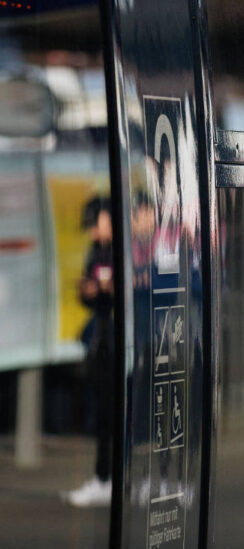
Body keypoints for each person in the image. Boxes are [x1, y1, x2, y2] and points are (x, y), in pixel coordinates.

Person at [66, 195, 116, 508]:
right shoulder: (95, 251)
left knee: (112, 414)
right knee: (101, 412)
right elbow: (92, 291)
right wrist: (88, 291)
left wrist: (101, 290)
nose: (92, 233)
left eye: (94, 224)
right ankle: (103, 477)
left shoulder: (121, 249)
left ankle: (109, 478)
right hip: (101, 338)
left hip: (118, 339)